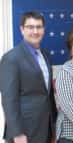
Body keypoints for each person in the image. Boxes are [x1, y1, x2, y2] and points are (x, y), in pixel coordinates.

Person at [0, 11, 57, 143]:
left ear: (44, 29)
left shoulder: (46, 54)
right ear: (22, 29)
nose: (35, 31)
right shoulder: (11, 58)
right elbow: (9, 100)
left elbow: (47, 94)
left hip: (46, 128)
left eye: (39, 27)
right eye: (30, 27)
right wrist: (17, 133)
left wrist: (53, 125)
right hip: (24, 131)